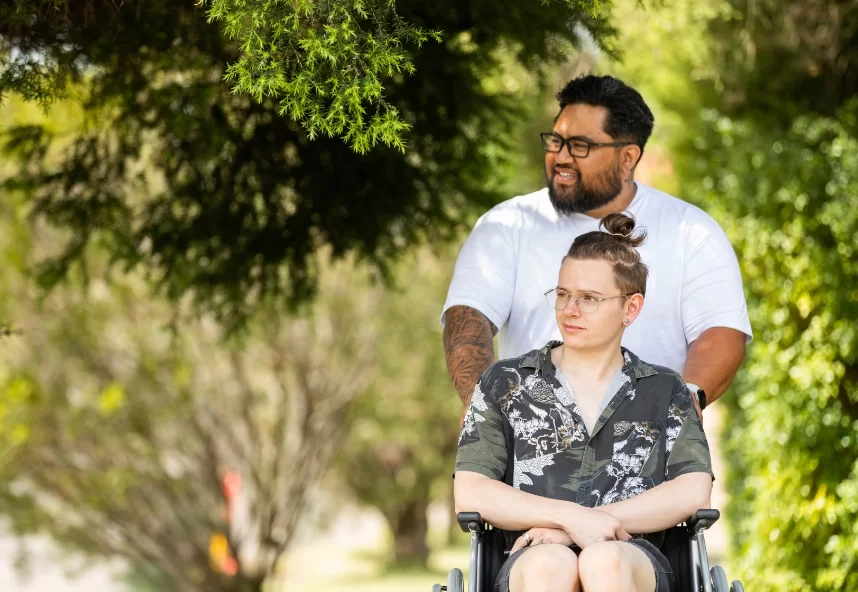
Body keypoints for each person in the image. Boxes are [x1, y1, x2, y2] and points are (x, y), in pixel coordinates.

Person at [441, 74, 751, 417]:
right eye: (555, 141)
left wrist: (682, 407)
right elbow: (468, 318)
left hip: (650, 455)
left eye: (579, 146)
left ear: (628, 157)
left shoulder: (691, 231)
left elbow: (721, 332)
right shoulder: (506, 225)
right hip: (531, 456)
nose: (560, 157)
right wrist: (484, 416)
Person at [454, 213, 713, 592]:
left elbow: (693, 489)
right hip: (531, 558)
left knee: (603, 559)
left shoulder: (665, 389)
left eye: (589, 299)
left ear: (631, 308)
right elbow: (471, 489)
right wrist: (567, 518)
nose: (570, 310)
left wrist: (591, 523)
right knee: (549, 564)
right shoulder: (505, 382)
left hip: (633, 557)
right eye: (562, 294)